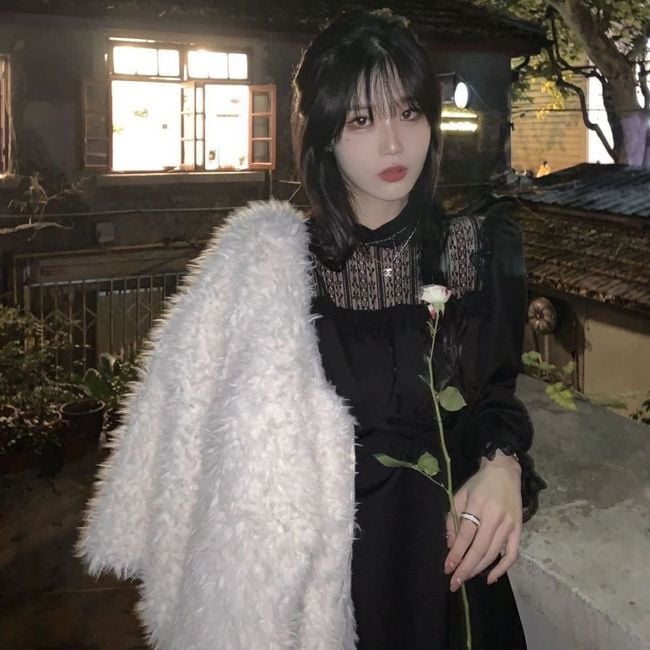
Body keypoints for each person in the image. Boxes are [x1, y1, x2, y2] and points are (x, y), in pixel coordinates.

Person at [77, 9, 545, 649]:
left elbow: (493, 392)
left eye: (409, 112)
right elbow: (205, 443)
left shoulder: (475, 250)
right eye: (362, 120)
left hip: (447, 579)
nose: (393, 144)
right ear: (325, 135)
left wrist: (503, 466)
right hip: (325, 588)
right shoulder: (273, 271)